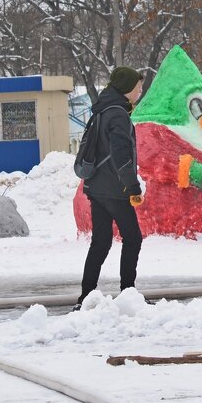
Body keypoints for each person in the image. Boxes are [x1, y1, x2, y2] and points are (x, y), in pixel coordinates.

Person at [77, 66, 145, 310]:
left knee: (101, 241)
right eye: (138, 87)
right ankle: (128, 293)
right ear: (127, 87)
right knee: (133, 238)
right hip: (115, 189)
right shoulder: (117, 114)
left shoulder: (103, 109)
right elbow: (121, 154)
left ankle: (86, 295)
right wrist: (132, 186)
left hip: (96, 186)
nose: (140, 91)